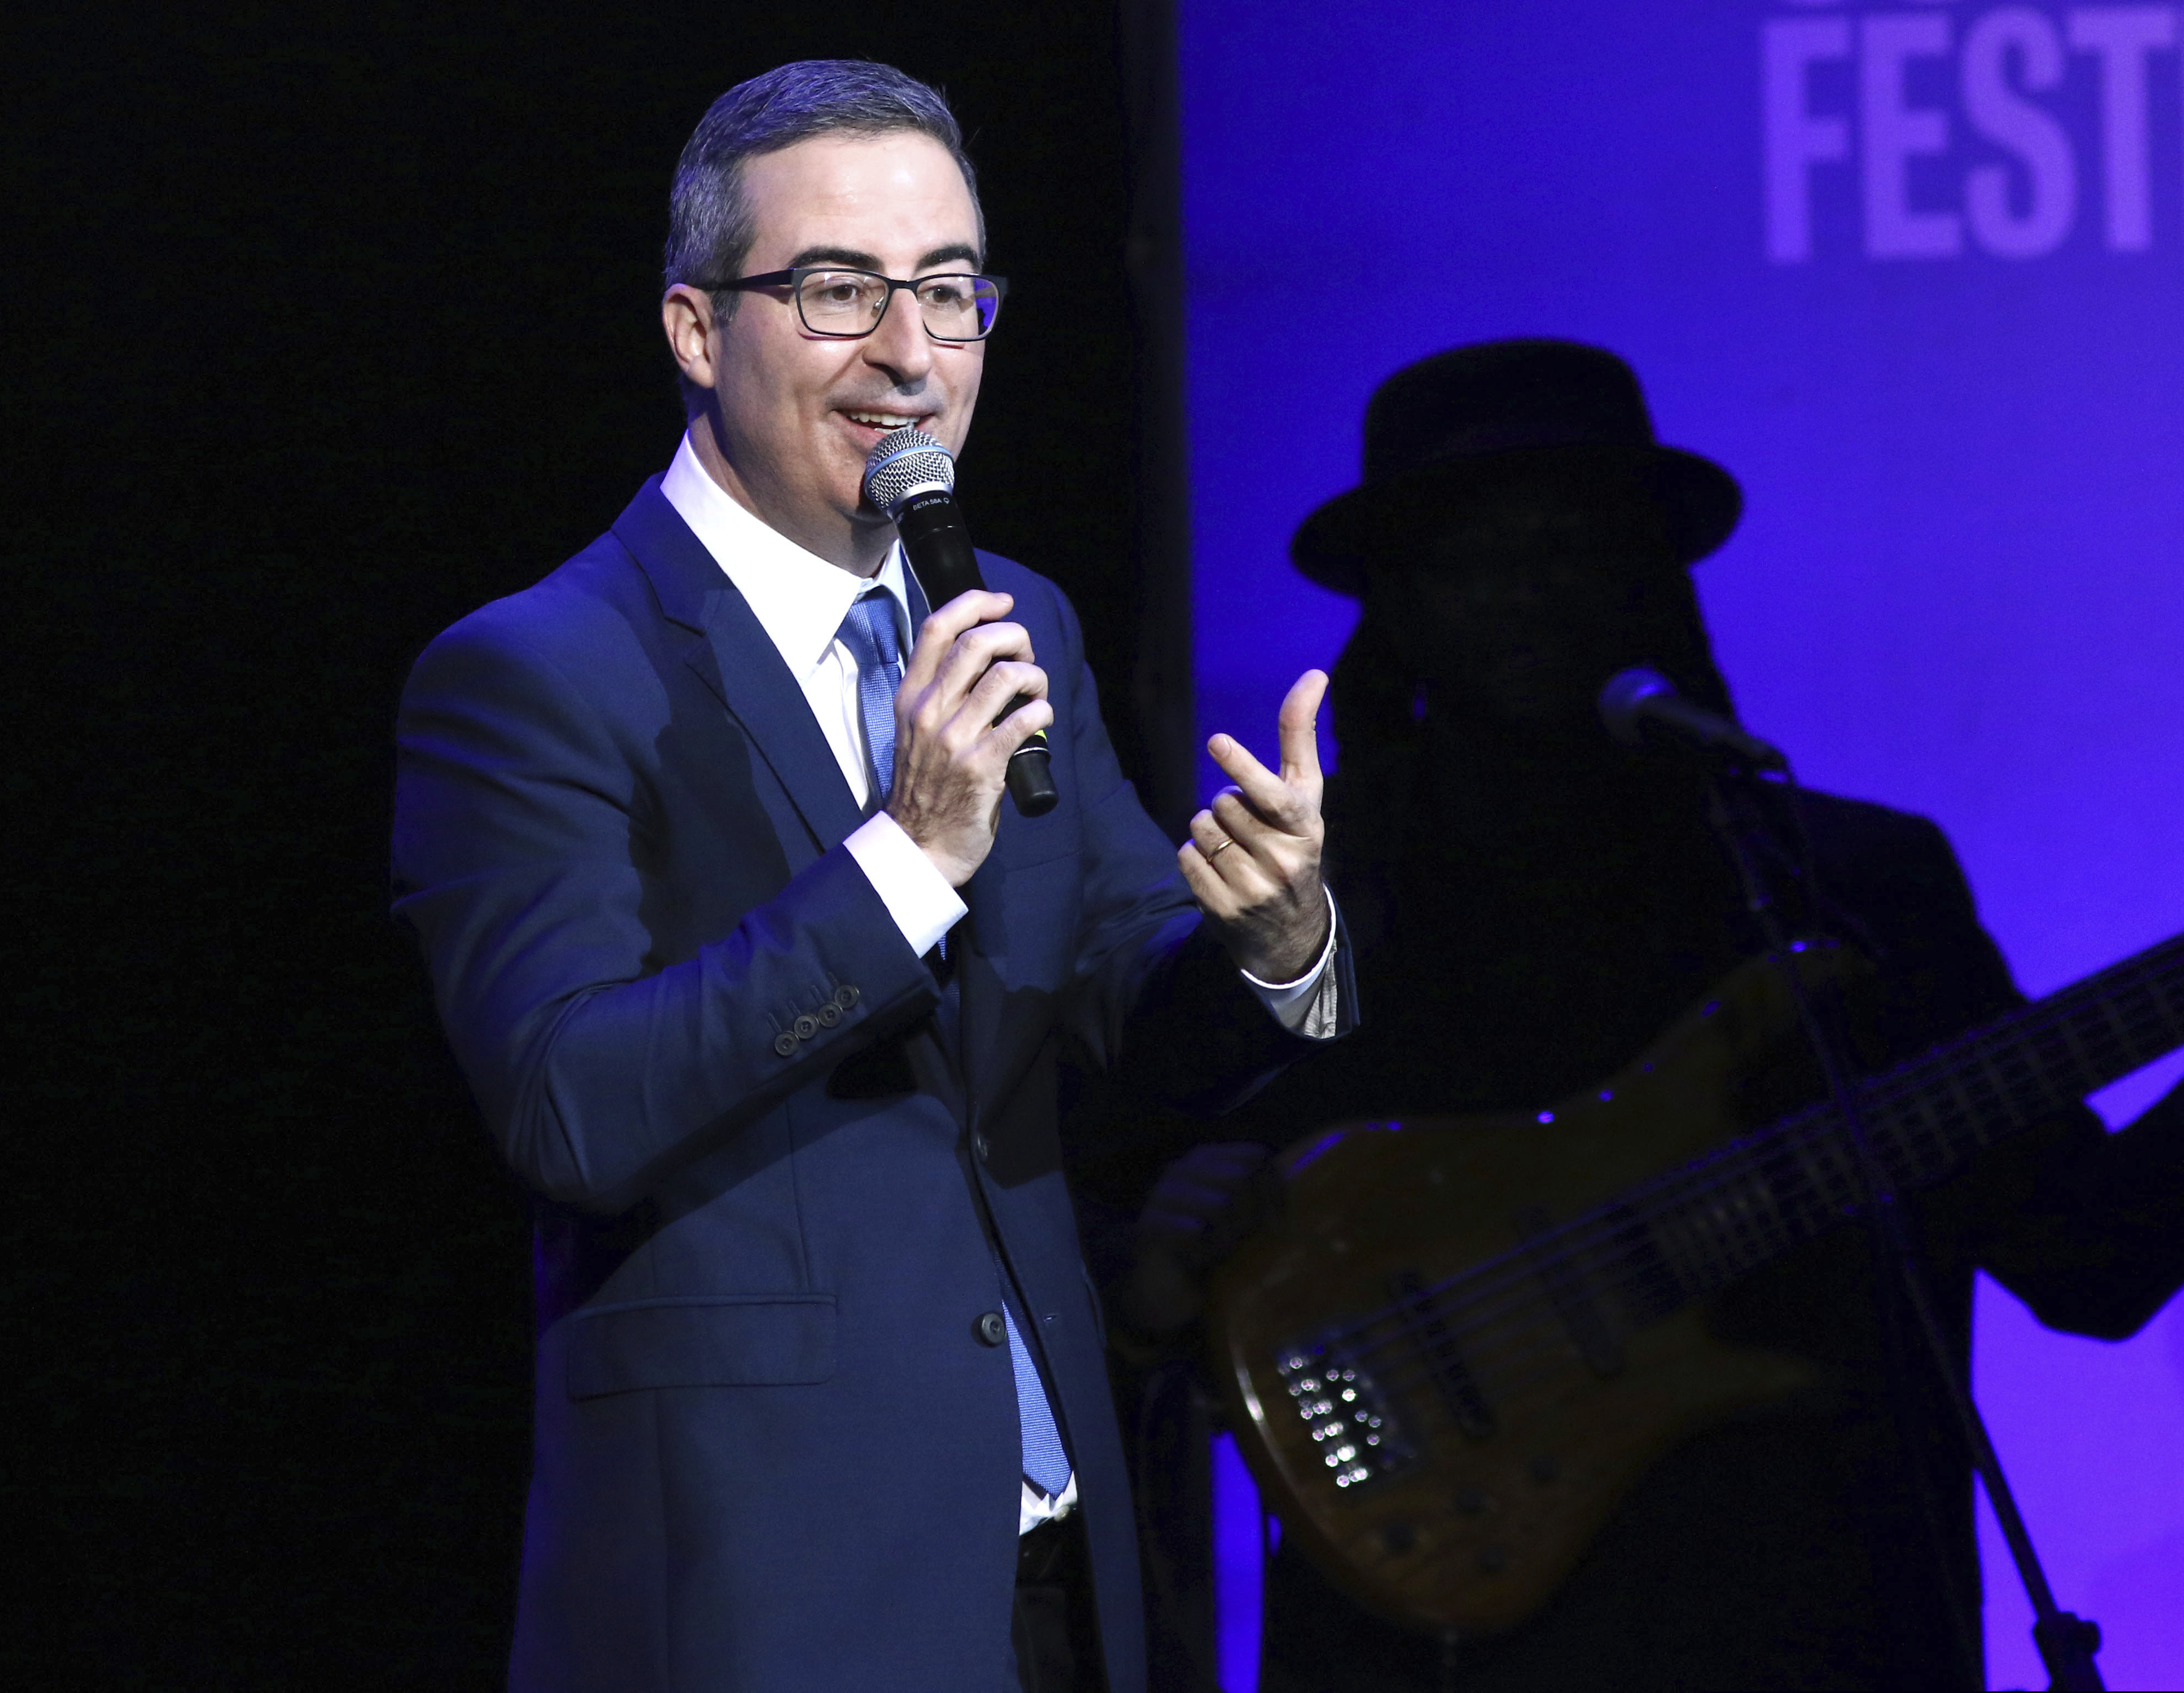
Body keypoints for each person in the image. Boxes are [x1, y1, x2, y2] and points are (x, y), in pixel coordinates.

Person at [390, 62, 1357, 1693]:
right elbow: (568, 1105)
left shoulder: (1010, 621)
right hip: (769, 1591)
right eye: (839, 291)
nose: (909, 354)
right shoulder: (539, 672)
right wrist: (902, 863)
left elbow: (1124, 994)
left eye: (949, 293)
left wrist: (1274, 938)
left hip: (1050, 1567)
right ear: (697, 328)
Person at [1102, 339, 2184, 1691]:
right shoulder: (1299, 908)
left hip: (1818, 1623)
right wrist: (1158, 1260)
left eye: (1570, 544)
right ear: (1399, 608)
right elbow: (1120, 1233)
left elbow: (2086, 1259)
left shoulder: (1843, 886)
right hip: (1436, 1644)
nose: (1525, 591)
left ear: (1651, 583)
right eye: (1468, 556)